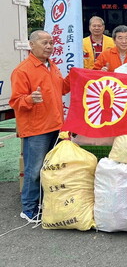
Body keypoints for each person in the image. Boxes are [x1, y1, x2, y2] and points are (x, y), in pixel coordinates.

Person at [9, 30, 70, 224]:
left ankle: (42, 204)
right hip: (37, 129)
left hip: (55, 125)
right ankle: (28, 209)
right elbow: (15, 101)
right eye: (44, 43)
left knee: (49, 168)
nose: (49, 46)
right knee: (33, 170)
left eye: (51, 43)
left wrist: (77, 76)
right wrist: (29, 99)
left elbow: (62, 88)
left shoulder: (51, 66)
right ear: (31, 45)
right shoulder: (23, 70)